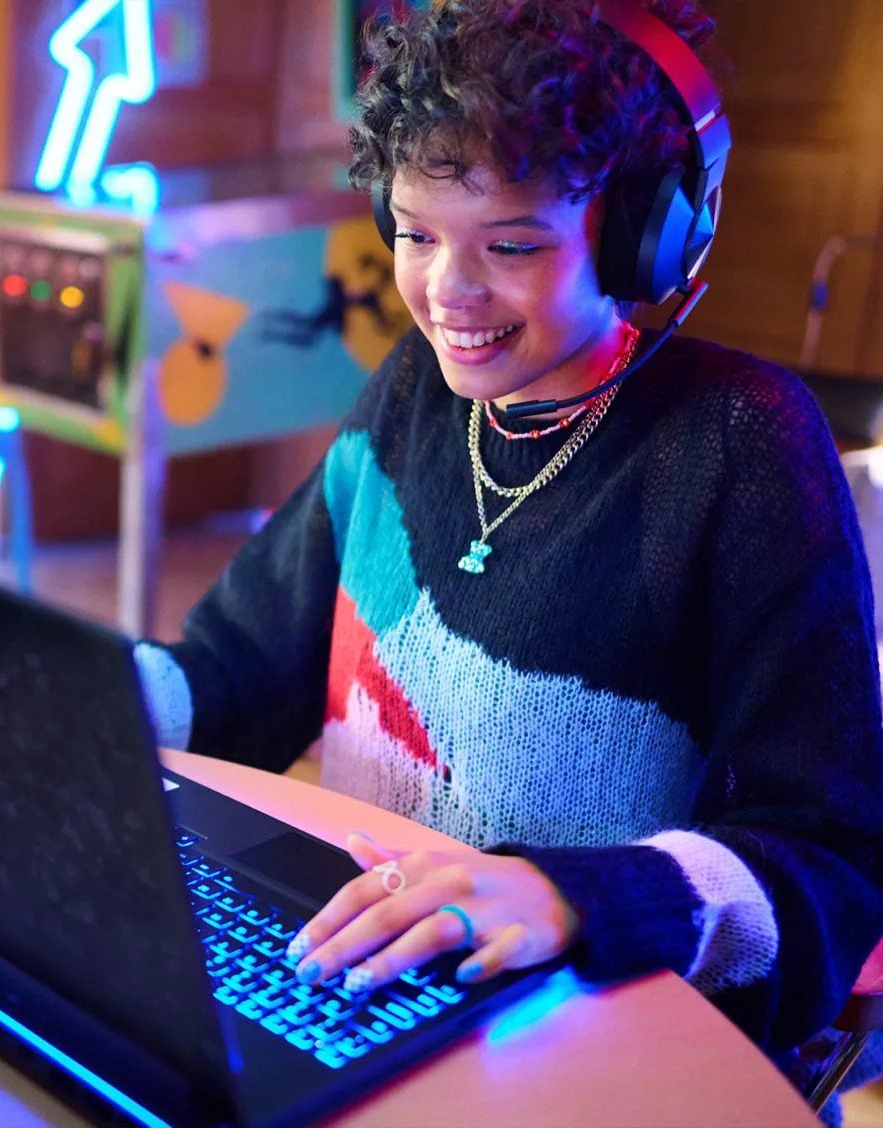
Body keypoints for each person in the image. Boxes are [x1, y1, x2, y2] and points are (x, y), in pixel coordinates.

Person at [131, 0, 883, 1106]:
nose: (447, 292)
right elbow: (243, 669)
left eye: (512, 245)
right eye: (414, 232)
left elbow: (826, 863)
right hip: (371, 992)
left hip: (591, 1036)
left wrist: (575, 900)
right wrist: (60, 705)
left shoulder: (740, 446)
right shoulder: (409, 393)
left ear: (642, 235)